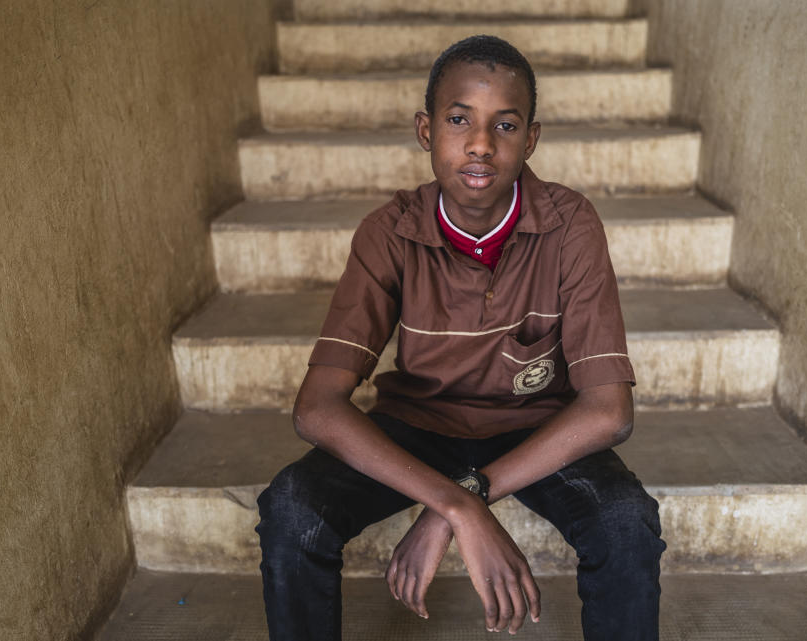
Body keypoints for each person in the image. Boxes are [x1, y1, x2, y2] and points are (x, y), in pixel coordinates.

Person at [255, 35, 666, 641]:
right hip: (416, 424)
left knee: (628, 522)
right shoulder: (389, 233)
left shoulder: (569, 224)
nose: (480, 143)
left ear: (531, 139)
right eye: (458, 120)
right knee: (291, 508)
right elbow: (316, 409)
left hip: (534, 425)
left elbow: (608, 412)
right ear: (426, 130)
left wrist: (469, 493)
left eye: (505, 125)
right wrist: (455, 506)